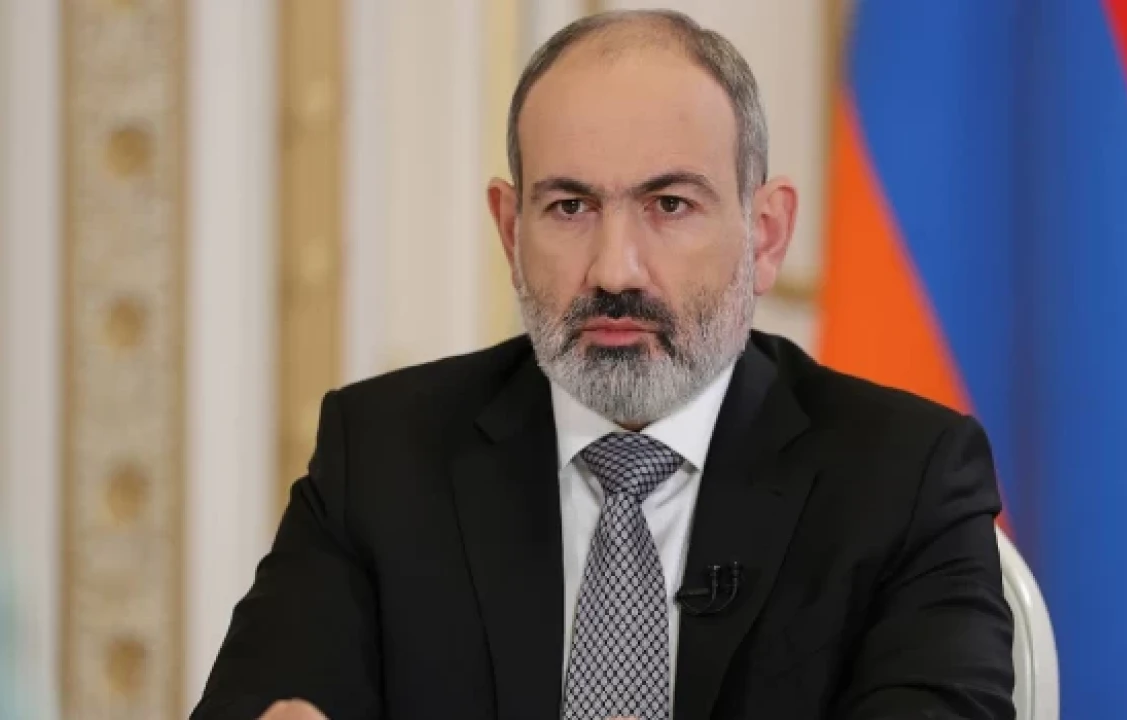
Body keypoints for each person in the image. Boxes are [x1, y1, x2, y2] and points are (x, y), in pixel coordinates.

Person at [193, 10, 1014, 720]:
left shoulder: (905, 479)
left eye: (669, 205)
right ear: (511, 230)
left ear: (764, 235)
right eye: (570, 206)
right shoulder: (380, 455)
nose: (615, 270)